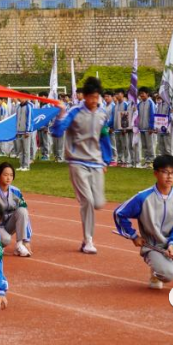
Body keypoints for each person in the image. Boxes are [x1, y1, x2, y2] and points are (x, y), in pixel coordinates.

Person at [114, 154, 173, 292]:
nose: (169, 176)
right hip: (153, 247)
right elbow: (119, 213)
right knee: (167, 275)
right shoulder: (143, 197)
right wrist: (133, 236)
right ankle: (156, 273)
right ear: (156, 173)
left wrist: (172, 244)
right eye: (165, 172)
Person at [51, 76, 112, 255]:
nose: (94, 101)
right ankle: (88, 240)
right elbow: (57, 132)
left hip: (96, 162)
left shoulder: (102, 114)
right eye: (91, 97)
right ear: (84, 97)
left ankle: (87, 238)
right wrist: (61, 113)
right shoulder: (75, 112)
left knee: (98, 203)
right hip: (77, 161)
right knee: (88, 201)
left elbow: (104, 136)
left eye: (96, 97)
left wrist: (106, 160)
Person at [0, 162, 32, 257]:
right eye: (5, 175)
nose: (8, 178)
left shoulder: (16, 192)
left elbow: (25, 216)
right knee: (6, 239)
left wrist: (27, 240)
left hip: (9, 225)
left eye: (11, 175)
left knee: (22, 211)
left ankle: (19, 245)